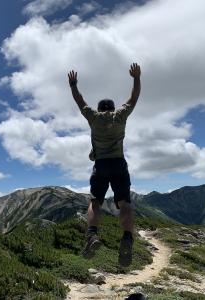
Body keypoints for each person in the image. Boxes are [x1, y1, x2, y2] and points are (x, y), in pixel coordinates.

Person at [68, 63, 141, 267]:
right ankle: (127, 237)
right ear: (113, 108)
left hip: (100, 165)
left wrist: (73, 84)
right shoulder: (121, 115)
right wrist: (136, 77)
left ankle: (92, 235)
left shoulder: (93, 117)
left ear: (100, 109)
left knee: (95, 202)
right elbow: (134, 98)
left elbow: (79, 100)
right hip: (119, 163)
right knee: (124, 203)